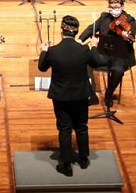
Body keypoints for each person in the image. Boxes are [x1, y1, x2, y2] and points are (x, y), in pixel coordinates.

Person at [38, 15, 108, 176]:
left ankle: (66, 164)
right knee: (82, 127)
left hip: (61, 96)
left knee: (64, 129)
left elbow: (42, 67)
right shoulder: (84, 50)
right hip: (81, 95)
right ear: (76, 32)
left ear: (62, 31)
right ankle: (84, 159)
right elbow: (97, 63)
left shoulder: (53, 51)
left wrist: (43, 51)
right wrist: (95, 47)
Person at [79, 0, 136, 110]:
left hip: (121, 54)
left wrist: (126, 37)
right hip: (103, 52)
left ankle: (109, 93)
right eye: (111, 7)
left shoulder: (130, 20)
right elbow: (91, 28)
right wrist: (81, 39)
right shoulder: (104, 17)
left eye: (116, 7)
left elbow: (132, 37)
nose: (113, 10)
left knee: (118, 70)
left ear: (122, 7)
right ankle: (91, 95)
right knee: (82, 61)